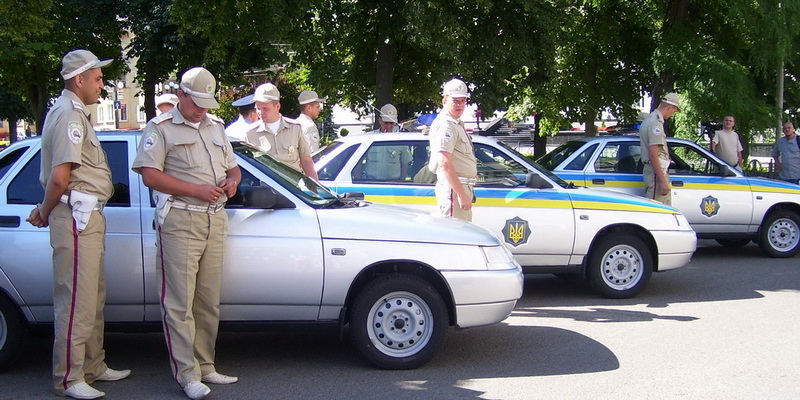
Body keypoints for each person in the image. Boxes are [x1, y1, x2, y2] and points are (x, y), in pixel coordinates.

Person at [25, 49, 131, 400]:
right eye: (97, 78)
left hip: (86, 217)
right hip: (76, 217)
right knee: (76, 301)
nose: (102, 84)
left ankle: (92, 365)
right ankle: (69, 378)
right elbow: (60, 177)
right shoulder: (69, 116)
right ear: (79, 79)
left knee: (92, 297)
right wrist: (44, 210)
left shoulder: (76, 115)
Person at [132, 67, 242, 400]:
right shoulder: (160, 127)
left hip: (215, 219)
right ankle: (187, 374)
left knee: (208, 302)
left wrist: (232, 182)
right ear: (181, 95)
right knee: (179, 303)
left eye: (207, 104)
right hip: (181, 220)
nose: (202, 110)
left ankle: (205, 365)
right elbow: (149, 175)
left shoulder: (215, 126)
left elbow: (233, 167)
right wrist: (196, 190)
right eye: (197, 103)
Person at [244, 83, 319, 179]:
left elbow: (306, 160)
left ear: (277, 106)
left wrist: (315, 185)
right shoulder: (250, 134)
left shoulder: (295, 128)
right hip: (266, 186)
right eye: (258, 108)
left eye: (265, 109)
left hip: (293, 185)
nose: (260, 112)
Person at [428, 78, 477, 221]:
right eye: (455, 101)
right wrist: (461, 194)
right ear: (445, 100)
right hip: (454, 189)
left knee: (463, 232)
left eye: (463, 100)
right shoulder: (446, 125)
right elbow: (444, 163)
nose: (460, 104)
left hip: (459, 187)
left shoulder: (456, 124)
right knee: (457, 232)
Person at [640, 92, 680, 205]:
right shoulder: (655, 123)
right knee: (656, 209)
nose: (673, 113)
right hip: (656, 173)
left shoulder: (652, 119)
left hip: (657, 172)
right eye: (674, 110)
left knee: (664, 209)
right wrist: (663, 181)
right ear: (669, 107)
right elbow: (653, 155)